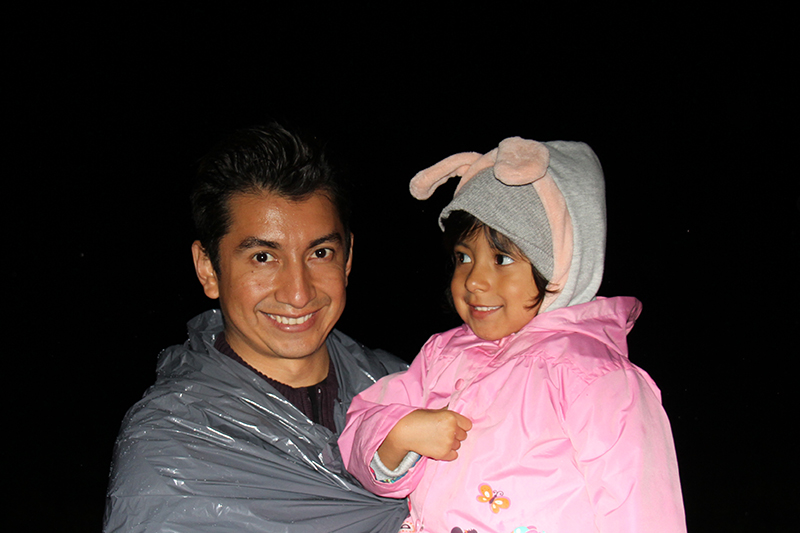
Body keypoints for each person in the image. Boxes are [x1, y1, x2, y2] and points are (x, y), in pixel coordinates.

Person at [338, 137, 687, 532]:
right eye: (463, 257)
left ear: (562, 264)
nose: (474, 280)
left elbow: (644, 513)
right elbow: (359, 424)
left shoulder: (595, 378)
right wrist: (398, 435)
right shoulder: (443, 355)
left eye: (502, 258)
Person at [104, 124, 409, 532]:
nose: (298, 293)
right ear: (208, 268)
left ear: (348, 258)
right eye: (263, 257)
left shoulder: (409, 387)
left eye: (320, 253)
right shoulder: (173, 444)